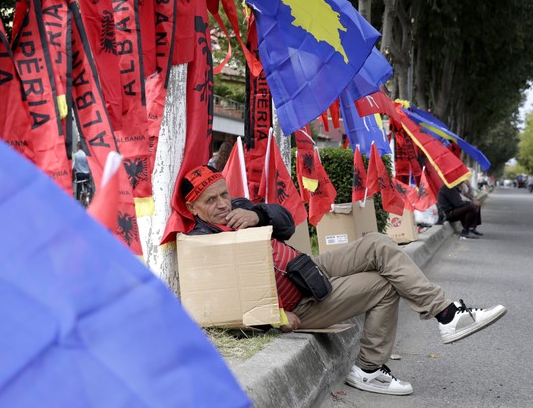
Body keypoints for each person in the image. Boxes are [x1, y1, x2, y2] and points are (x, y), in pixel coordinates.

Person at [182, 165, 506, 396]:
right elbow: (222, 304)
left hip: (310, 269)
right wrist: (277, 318)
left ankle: (447, 315)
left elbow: (284, 220)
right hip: (300, 303)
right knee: (383, 285)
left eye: (223, 194)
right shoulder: (202, 242)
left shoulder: (238, 210)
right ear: (192, 207)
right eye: (211, 201)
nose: (223, 204)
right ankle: (369, 370)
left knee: (378, 243)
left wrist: (258, 215)